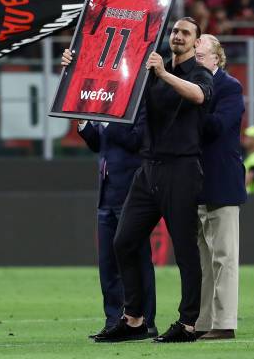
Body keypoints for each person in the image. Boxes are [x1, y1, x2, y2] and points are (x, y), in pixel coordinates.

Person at [96, 17, 212, 343]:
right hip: (148, 169)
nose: (177, 35)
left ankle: (188, 323)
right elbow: (114, 71)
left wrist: (164, 74)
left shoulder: (198, 73)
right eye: (175, 31)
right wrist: (74, 65)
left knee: (185, 250)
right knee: (124, 241)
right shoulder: (152, 68)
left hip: (182, 169)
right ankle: (134, 319)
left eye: (185, 33)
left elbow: (200, 97)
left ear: (195, 42)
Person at [60, 56, 158, 340]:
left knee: (138, 258)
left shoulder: (138, 100)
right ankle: (114, 319)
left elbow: (136, 140)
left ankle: (146, 320)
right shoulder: (101, 100)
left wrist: (109, 115)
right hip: (106, 191)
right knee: (108, 263)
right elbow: (96, 143)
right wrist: (83, 119)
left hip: (132, 191)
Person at [194, 34, 247, 340]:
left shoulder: (229, 87)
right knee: (202, 258)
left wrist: (192, 102)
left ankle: (224, 323)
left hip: (221, 182)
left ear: (217, 58)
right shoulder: (186, 83)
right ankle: (203, 321)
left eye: (201, 56)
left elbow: (216, 127)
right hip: (195, 182)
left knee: (224, 256)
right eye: (195, 56)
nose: (197, 60)